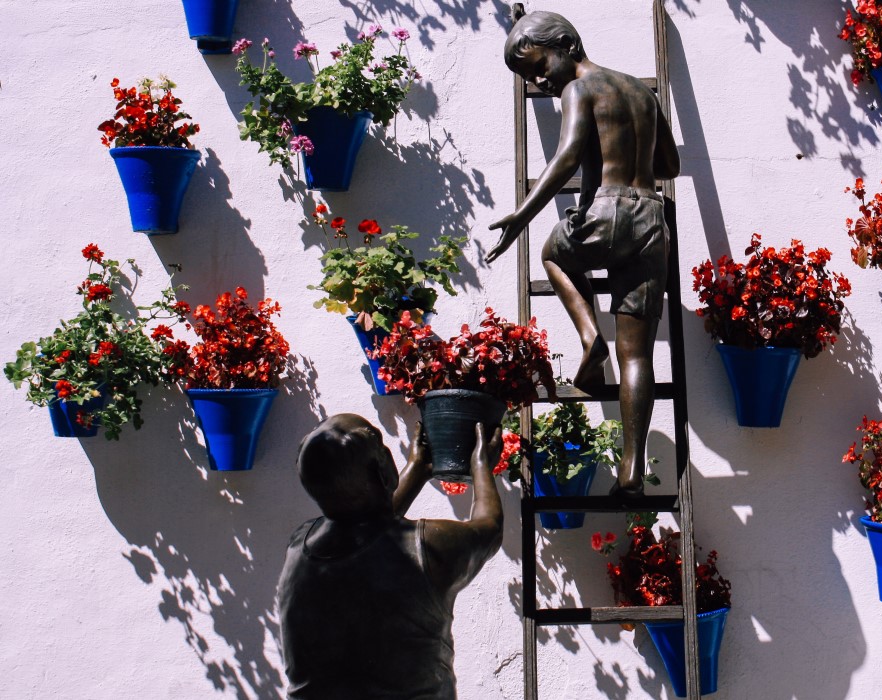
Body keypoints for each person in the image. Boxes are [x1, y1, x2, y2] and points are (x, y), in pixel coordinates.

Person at [487, 8, 681, 499]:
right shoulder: (641, 90)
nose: (538, 79)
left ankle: (590, 336)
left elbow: (568, 154)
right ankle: (631, 475)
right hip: (651, 220)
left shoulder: (579, 88)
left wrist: (521, 216)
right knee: (636, 355)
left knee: (553, 252)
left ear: (567, 46)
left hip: (608, 208)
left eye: (538, 65)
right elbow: (670, 165)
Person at [277, 415, 503, 699]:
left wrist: (415, 471)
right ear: (385, 469)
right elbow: (489, 529)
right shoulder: (430, 546)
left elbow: (364, 525)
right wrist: (482, 465)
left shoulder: (299, 544)